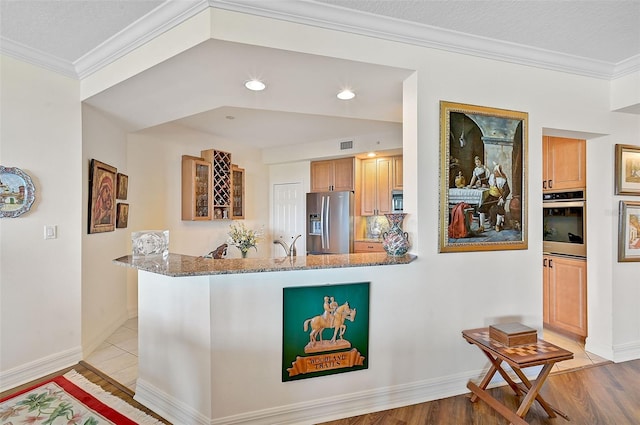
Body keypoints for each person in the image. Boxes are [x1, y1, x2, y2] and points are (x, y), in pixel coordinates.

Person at [480, 163, 510, 232]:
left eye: (495, 171)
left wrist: (503, 198)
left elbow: (507, 190)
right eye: (494, 171)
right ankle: (482, 226)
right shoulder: (492, 177)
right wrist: (483, 184)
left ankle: (497, 225)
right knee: (482, 209)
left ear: (498, 172)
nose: (494, 172)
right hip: (491, 196)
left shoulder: (503, 180)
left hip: (499, 197)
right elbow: (488, 182)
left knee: (500, 210)